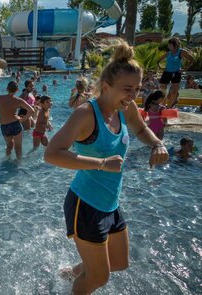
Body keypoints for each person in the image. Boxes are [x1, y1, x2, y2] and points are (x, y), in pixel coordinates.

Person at [44, 40, 168, 295]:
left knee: (119, 263)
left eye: (137, 89)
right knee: (99, 279)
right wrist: (101, 163)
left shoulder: (127, 109)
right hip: (86, 205)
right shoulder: (85, 115)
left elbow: (141, 129)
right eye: (127, 89)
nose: (133, 96)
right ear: (106, 86)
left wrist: (156, 144)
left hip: (110, 203)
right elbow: (52, 154)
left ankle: (74, 272)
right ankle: (83, 277)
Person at [0, 81, 34, 159]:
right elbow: (32, 110)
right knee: (18, 148)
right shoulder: (18, 100)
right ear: (17, 90)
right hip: (15, 124)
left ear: (7, 89)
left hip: (4, 125)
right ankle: (18, 164)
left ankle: (7, 161)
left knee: (9, 146)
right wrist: (22, 120)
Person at [157, 37, 195, 108]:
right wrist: (161, 68)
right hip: (167, 73)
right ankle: (162, 105)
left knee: (174, 92)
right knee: (162, 90)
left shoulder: (181, 52)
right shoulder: (168, 53)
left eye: (170, 45)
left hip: (176, 73)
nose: (168, 46)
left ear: (174, 45)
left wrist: (184, 69)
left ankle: (168, 107)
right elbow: (158, 61)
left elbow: (192, 60)